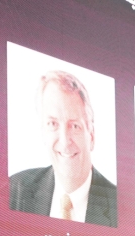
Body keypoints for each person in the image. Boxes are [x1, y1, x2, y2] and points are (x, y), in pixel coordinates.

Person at [10, 71, 117, 227]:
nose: (65, 141)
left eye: (74, 126)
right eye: (53, 124)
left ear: (92, 136)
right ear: (43, 132)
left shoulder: (120, 207)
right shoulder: (15, 191)